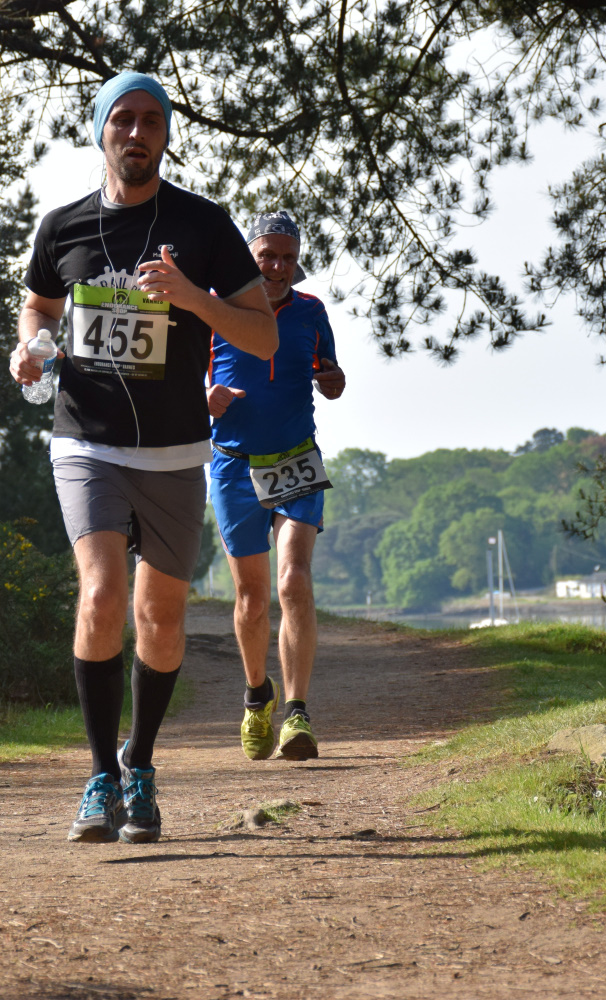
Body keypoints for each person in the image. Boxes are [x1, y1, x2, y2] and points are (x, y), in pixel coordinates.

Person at [10, 72, 278, 844]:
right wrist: (31, 349)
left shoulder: (203, 224)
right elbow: (39, 305)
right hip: (84, 439)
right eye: (122, 120)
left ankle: (141, 765)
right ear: (101, 132)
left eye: (150, 121)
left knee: (159, 616)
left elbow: (261, 337)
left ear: (165, 136)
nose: (136, 133)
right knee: (101, 595)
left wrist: (193, 297)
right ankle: (100, 777)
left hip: (173, 449)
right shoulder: (62, 227)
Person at [206, 209, 346, 761]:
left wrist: (334, 381)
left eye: (288, 257)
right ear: (250, 256)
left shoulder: (311, 311)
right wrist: (205, 398)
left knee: (293, 580)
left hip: (295, 460)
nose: (278, 266)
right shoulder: (214, 308)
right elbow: (185, 379)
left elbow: (330, 377)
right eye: (267, 255)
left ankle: (297, 712)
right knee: (251, 596)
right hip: (233, 465)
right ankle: (255, 696)